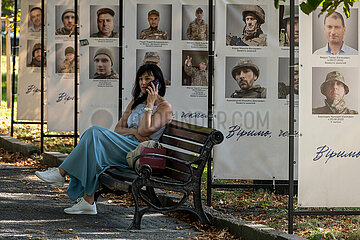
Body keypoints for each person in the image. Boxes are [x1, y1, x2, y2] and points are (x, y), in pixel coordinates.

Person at [35, 64, 173, 214]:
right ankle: (86, 201)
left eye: (147, 78)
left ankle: (63, 174)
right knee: (93, 144)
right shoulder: (135, 102)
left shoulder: (164, 108)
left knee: (94, 133)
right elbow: (118, 129)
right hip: (125, 146)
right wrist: (134, 131)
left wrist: (150, 105)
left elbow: (145, 130)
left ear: (157, 82)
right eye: (140, 79)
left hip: (139, 153)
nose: (142, 82)